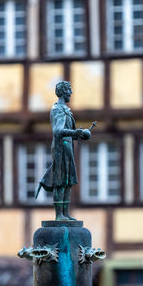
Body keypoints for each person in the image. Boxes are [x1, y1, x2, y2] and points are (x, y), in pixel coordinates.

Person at [36, 81, 91, 220]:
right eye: (69, 90)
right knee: (60, 180)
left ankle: (66, 213)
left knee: (69, 180)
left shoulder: (65, 109)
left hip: (68, 146)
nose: (71, 93)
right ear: (63, 92)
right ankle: (59, 215)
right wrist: (75, 133)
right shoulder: (57, 109)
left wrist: (80, 134)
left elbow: (70, 132)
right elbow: (57, 131)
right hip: (60, 147)